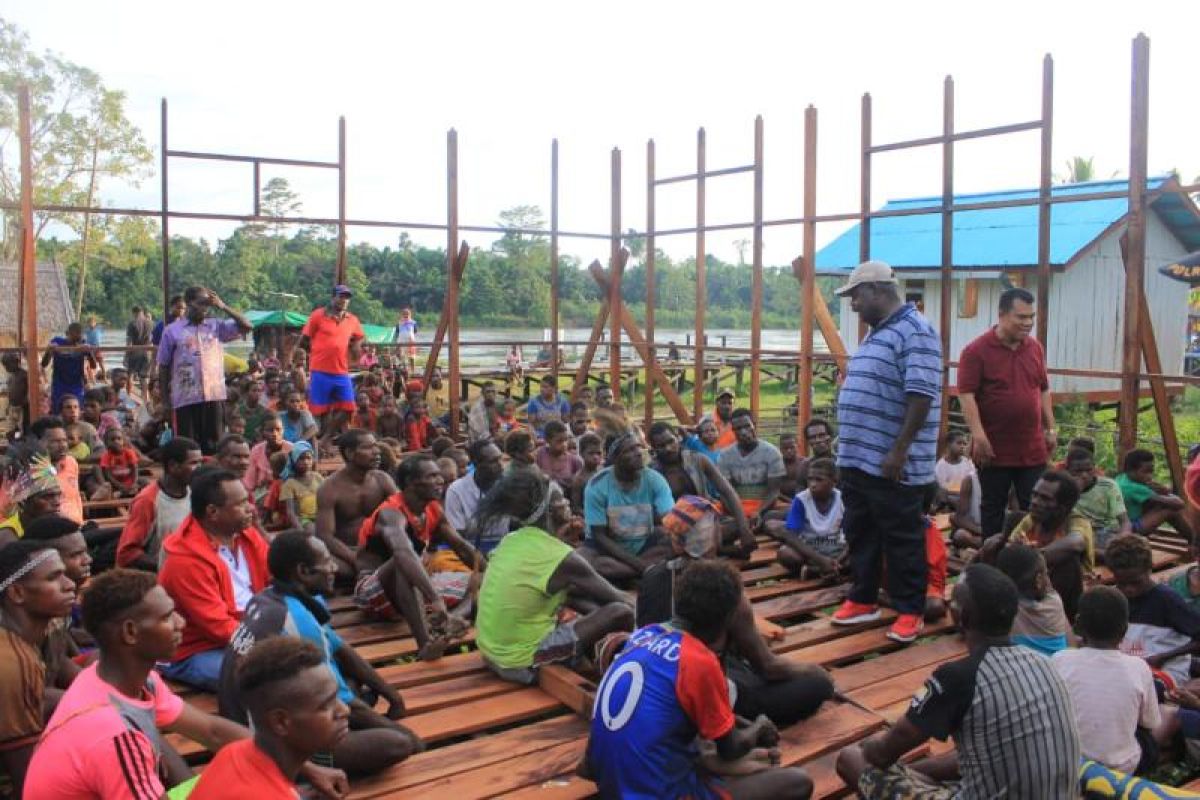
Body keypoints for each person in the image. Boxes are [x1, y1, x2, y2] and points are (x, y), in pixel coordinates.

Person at [23, 567, 347, 800]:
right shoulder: (114, 735)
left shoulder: (126, 680)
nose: (181, 623)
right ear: (131, 633)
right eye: (166, 617)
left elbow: (212, 731)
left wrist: (304, 768)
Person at [836, 563, 1080, 798]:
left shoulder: (958, 678)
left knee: (851, 758)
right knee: (933, 771)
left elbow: (882, 755)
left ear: (960, 616)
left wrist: (869, 747)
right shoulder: (1045, 664)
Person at [584, 558, 815, 800]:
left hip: (609, 783)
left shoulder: (644, 635)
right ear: (728, 620)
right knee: (797, 783)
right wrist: (758, 728)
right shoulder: (699, 661)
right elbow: (731, 748)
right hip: (659, 793)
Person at [217, 532, 421, 775]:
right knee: (399, 744)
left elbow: (342, 650)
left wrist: (392, 695)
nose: (334, 567)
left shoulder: (270, 598)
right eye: (327, 561)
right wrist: (410, 737)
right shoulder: (295, 620)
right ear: (303, 572)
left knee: (350, 678)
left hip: (261, 713)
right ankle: (309, 764)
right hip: (264, 741)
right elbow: (348, 705)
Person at [637, 497, 834, 727]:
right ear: (712, 535)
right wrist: (816, 671)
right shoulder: (724, 586)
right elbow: (768, 667)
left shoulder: (651, 576)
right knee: (818, 685)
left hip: (657, 683)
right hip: (707, 690)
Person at [830, 261, 942, 644]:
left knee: (902, 535)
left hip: (891, 462)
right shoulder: (879, 332)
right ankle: (863, 599)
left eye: (856, 296)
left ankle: (910, 609)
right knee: (860, 530)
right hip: (860, 458)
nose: (853, 305)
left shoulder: (916, 331)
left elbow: (921, 395)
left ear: (877, 290)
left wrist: (899, 451)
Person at [475, 469, 634, 684]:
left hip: (491, 653)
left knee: (571, 596)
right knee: (620, 612)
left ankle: (595, 655)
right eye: (560, 499)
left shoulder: (511, 539)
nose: (567, 501)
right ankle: (618, 674)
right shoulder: (560, 557)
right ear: (549, 510)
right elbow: (620, 599)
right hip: (522, 663)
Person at [354, 455, 479, 659]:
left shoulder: (432, 509)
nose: (440, 481)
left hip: (416, 590)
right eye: (432, 476)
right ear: (412, 483)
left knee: (483, 576)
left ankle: (451, 620)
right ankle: (426, 644)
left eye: (439, 476)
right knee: (404, 562)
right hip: (374, 593)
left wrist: (492, 570)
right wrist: (435, 598)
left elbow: (462, 548)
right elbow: (402, 552)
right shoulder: (390, 512)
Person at [196, 637, 353, 798]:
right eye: (325, 705)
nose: (345, 710)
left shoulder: (232, 752)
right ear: (280, 722)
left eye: (337, 698)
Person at [158, 468, 270, 690]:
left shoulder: (246, 535)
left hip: (249, 629)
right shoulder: (186, 560)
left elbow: (275, 578)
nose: (251, 508)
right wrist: (270, 645)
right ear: (213, 512)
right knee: (266, 678)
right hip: (197, 649)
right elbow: (218, 627)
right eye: (240, 504)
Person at [958, 287, 1056, 538]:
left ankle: (1034, 562)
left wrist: (1051, 427)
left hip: (1031, 447)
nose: (1028, 323)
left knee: (1036, 506)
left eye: (1031, 317)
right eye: (1021, 317)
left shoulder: (1035, 348)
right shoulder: (976, 351)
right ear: (1002, 314)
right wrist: (979, 436)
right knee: (993, 507)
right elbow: (966, 394)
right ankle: (993, 562)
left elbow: (1043, 388)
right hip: (993, 449)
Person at [1052, 585, 1161, 775]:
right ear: (1125, 629)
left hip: (1072, 765)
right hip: (1122, 767)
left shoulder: (1060, 659)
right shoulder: (1138, 667)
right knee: (1149, 739)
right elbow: (1150, 723)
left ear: (1078, 625)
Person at [0, 541, 77, 795]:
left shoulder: (28, 639)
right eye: (54, 577)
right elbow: (28, 781)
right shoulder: (11, 661)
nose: (70, 584)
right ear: (17, 593)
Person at [157, 286, 253, 454]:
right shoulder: (172, 331)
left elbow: (247, 326)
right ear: (188, 303)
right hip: (185, 398)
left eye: (208, 304)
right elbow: (163, 366)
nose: (205, 308)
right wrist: (165, 401)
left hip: (213, 395)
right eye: (201, 303)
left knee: (214, 446)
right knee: (187, 447)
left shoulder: (216, 326)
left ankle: (212, 478)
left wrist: (222, 306)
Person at [993, 469, 1094, 620]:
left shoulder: (1076, 521)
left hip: (1065, 601)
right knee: (993, 544)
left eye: (1045, 499)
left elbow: (1076, 543)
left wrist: (1033, 558)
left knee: (1069, 562)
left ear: (1063, 507)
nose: (1034, 501)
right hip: (1028, 591)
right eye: (1035, 495)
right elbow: (1010, 550)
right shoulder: (1031, 519)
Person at [1108, 533, 1200, 691]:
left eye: (1136, 582)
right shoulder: (1114, 599)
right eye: (1122, 583)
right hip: (1130, 669)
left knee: (1141, 690)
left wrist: (1163, 657)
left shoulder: (1167, 600)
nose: (1129, 589)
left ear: (1149, 570)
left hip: (1165, 673)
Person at [648, 422, 754, 556]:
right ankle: (718, 549)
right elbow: (653, 515)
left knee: (739, 525)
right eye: (661, 446)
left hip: (706, 523)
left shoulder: (697, 459)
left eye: (671, 441)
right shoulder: (651, 473)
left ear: (678, 438)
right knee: (661, 540)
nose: (668, 448)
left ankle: (709, 548)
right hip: (675, 529)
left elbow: (727, 491)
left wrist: (744, 529)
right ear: (653, 449)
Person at [581, 432, 675, 583]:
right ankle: (645, 572)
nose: (638, 453)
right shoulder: (597, 485)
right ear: (614, 458)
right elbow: (599, 536)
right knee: (585, 561)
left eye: (638, 447)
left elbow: (670, 517)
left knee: (673, 544)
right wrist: (641, 566)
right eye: (629, 450)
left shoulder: (655, 479)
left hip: (644, 543)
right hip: (608, 548)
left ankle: (625, 575)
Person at [315, 429, 396, 582]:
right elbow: (325, 535)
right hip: (346, 554)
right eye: (368, 447)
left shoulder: (383, 480)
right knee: (323, 567)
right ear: (350, 453)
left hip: (380, 551)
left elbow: (403, 515)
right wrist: (356, 560)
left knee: (405, 554)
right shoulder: (328, 489)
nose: (377, 452)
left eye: (376, 446)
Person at [117, 436, 203, 570]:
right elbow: (127, 553)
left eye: (200, 463)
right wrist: (168, 566)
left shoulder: (195, 492)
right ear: (173, 466)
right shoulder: (148, 500)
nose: (199, 468)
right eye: (193, 463)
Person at [299, 285, 365, 452]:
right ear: (333, 297)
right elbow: (304, 339)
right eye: (341, 296)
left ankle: (326, 438)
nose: (344, 300)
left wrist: (356, 346)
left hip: (341, 371)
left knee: (349, 407)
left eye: (347, 297)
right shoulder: (318, 315)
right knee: (319, 410)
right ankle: (315, 445)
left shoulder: (352, 319)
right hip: (320, 370)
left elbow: (359, 337)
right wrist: (316, 353)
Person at [774, 458, 846, 579]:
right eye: (810, 479)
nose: (813, 484)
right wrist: (821, 560)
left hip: (838, 550)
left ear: (834, 481)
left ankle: (817, 571)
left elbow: (855, 533)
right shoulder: (801, 500)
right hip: (811, 552)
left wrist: (840, 558)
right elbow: (790, 536)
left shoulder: (843, 498)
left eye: (819, 480)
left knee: (863, 552)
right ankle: (831, 569)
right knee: (785, 553)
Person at [995, 543, 1070, 656]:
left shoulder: (1003, 609)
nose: (1048, 578)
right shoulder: (1054, 602)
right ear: (1039, 580)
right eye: (1047, 573)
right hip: (1058, 670)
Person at [717, 410, 785, 532]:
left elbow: (773, 492)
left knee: (778, 523)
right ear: (733, 431)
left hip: (764, 508)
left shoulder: (772, 453)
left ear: (754, 424)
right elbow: (725, 493)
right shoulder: (724, 456)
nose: (743, 432)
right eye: (738, 428)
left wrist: (758, 512)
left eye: (747, 426)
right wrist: (740, 516)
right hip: (735, 510)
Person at [444, 439, 508, 554]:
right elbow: (458, 537)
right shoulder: (456, 490)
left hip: (505, 546)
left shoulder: (511, 485)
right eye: (493, 461)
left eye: (500, 458)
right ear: (476, 463)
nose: (501, 465)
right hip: (469, 549)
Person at [1066, 445, 1131, 556]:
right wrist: (1075, 491)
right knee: (1073, 543)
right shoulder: (1064, 488)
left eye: (1089, 470)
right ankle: (1103, 555)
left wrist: (1121, 542)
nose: (1084, 475)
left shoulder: (1108, 486)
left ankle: (1104, 554)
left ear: (1094, 468)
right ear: (1068, 470)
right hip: (1080, 534)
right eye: (1078, 471)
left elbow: (1125, 522)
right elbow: (1061, 518)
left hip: (1108, 533)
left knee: (1126, 547)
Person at [1118, 449, 1194, 541]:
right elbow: (1179, 504)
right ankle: (1194, 540)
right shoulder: (1135, 488)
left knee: (1156, 503)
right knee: (1170, 510)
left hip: (1122, 525)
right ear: (1131, 470)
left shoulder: (1122, 478)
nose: (1150, 476)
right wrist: (1166, 492)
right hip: (1130, 529)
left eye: (1151, 471)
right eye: (1146, 471)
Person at [32, 415, 84, 525]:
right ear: (38, 442)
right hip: (51, 533)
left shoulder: (71, 463)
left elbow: (76, 498)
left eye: (64, 440)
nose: (63, 446)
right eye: (55, 441)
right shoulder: (32, 471)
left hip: (78, 528)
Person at [0, 457, 64, 546]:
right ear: (22, 502)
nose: (57, 502)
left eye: (59, 495)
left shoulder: (60, 525)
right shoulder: (6, 537)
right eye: (47, 497)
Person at [42, 321, 102, 413]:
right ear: (67, 334)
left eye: (80, 335)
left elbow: (93, 366)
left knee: (76, 409)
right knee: (58, 409)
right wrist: (49, 351)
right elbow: (44, 364)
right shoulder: (57, 342)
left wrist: (89, 352)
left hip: (76, 384)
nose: (78, 338)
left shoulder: (82, 343)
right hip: (59, 384)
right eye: (75, 336)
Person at [280, 442, 323, 530]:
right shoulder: (289, 484)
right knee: (311, 529)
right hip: (303, 519)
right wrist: (300, 529)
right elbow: (290, 512)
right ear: (294, 460)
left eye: (308, 458)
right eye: (301, 459)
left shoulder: (317, 477)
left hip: (321, 516)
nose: (306, 462)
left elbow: (328, 499)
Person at [246, 415, 293, 495]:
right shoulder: (256, 451)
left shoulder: (292, 449)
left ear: (283, 430)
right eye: (270, 430)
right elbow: (250, 483)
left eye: (278, 429)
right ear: (262, 432)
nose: (275, 434)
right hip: (262, 495)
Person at [95, 425, 143, 499]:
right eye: (113, 439)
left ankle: (125, 493)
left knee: (145, 482)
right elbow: (108, 475)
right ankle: (119, 493)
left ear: (123, 441)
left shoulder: (129, 452)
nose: (116, 441)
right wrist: (119, 485)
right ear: (106, 443)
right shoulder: (106, 456)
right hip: (115, 482)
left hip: (129, 480)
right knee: (97, 470)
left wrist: (134, 483)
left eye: (119, 439)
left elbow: (135, 469)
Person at [535, 420, 585, 488]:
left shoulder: (575, 461)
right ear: (547, 440)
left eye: (565, 440)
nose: (564, 445)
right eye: (559, 441)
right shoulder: (539, 455)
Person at [934, 429, 975, 509]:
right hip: (949, 498)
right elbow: (942, 489)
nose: (962, 446)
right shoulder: (941, 465)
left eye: (964, 444)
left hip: (965, 496)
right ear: (949, 444)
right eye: (959, 443)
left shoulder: (968, 462)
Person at [570, 432, 605, 515]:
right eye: (591, 453)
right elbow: (576, 508)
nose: (596, 457)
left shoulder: (603, 471)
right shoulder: (579, 479)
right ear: (581, 454)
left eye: (598, 453)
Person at [125, 305, 153, 389]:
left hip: (135, 351)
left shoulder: (132, 324)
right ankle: (145, 398)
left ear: (134, 313)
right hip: (147, 351)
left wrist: (126, 355)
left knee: (130, 375)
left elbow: (129, 341)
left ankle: (129, 395)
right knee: (144, 377)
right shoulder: (150, 323)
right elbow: (152, 338)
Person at [3, 352, 29, 435]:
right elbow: (9, 392)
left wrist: (26, 400)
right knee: (10, 430)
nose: (6, 367)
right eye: (5, 365)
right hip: (12, 407)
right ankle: (12, 442)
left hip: (22, 407)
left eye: (8, 364)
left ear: (16, 362)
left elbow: (29, 389)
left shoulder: (24, 374)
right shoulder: (10, 377)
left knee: (21, 428)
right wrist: (8, 406)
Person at [776, 433, 804, 502]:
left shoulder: (804, 463)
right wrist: (790, 501)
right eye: (785, 448)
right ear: (780, 449)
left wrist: (797, 501)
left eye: (792, 447)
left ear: (797, 446)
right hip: (781, 501)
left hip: (802, 500)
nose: (789, 451)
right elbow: (773, 490)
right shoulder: (776, 465)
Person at [393, 307, 419, 371]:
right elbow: (397, 331)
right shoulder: (399, 323)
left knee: (412, 357)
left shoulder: (413, 323)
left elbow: (415, 331)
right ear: (402, 315)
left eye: (407, 314)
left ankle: (413, 370)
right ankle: (403, 368)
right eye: (404, 314)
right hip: (401, 341)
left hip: (410, 341)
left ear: (410, 315)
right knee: (401, 355)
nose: (406, 315)